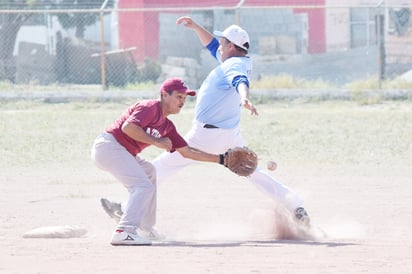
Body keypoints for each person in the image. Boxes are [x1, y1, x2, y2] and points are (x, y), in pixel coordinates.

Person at [101, 16, 310, 235]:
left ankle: (125, 209)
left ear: (231, 46)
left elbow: (240, 81)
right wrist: (195, 27)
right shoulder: (237, 59)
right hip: (230, 134)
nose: (219, 44)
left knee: (161, 166)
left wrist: (245, 98)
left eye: (223, 42)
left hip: (205, 135)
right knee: (252, 171)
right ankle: (295, 205)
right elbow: (213, 46)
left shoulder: (234, 65)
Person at [92, 77, 230, 246]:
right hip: (109, 147)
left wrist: (222, 159)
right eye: (179, 96)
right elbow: (128, 127)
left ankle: (145, 228)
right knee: (142, 186)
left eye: (185, 98)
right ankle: (124, 231)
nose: (182, 101)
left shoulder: (167, 126)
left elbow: (187, 151)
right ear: (164, 94)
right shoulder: (149, 107)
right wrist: (157, 141)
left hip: (121, 152)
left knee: (149, 171)